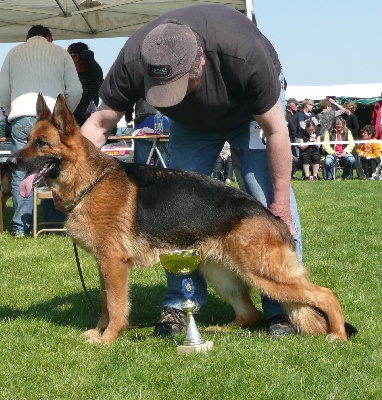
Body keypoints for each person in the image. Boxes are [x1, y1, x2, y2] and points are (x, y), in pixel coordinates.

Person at [79, 4, 303, 338]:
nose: (176, 94)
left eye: (183, 83)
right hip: (192, 127)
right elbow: (99, 124)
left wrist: (281, 201)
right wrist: (74, 180)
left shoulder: (243, 53)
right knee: (175, 213)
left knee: (267, 198)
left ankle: (281, 311)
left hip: (251, 118)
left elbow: (276, 132)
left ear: (200, 59)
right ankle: (180, 305)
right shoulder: (133, 60)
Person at [0, 25, 82, 237]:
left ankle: (20, 228)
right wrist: (64, 119)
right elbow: (76, 90)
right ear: (50, 38)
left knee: (21, 169)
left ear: (28, 38)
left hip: (20, 117)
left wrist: (12, 112)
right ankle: (54, 224)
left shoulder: (13, 52)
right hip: (53, 121)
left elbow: (2, 89)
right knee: (55, 168)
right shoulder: (60, 53)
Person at [67, 42, 104, 127]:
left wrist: (85, 55)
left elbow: (88, 57)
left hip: (88, 120)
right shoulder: (70, 74)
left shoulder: (93, 72)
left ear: (76, 57)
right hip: (72, 121)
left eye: (68, 56)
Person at [126, 99, 170, 166]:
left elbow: (129, 99)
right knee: (162, 164)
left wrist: (128, 118)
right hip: (163, 120)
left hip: (143, 120)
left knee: (141, 164)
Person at [343, 101, 364, 179]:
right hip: (348, 140)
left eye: (346, 108)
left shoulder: (353, 116)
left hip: (354, 139)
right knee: (349, 157)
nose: (345, 109)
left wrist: (350, 134)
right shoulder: (346, 117)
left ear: (350, 108)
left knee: (355, 158)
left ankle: (361, 174)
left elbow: (356, 127)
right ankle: (349, 174)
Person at [285, 98, 299, 179]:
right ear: (290, 104)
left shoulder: (298, 114)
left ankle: (292, 174)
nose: (297, 106)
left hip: (295, 139)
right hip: (285, 139)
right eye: (296, 104)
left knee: (295, 159)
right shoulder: (284, 114)